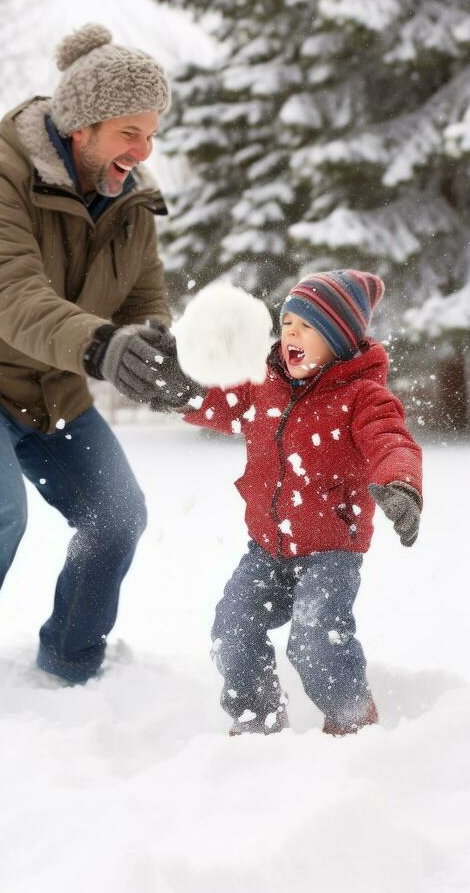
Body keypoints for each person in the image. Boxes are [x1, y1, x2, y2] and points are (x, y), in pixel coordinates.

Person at [0, 23, 190, 706]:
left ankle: (70, 663)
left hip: (49, 384)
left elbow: (145, 297)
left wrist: (157, 350)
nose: (143, 151)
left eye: (151, 133)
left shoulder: (132, 203)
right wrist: (99, 348)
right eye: (129, 133)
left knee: (117, 514)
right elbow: (12, 297)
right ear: (83, 127)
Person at [182, 270, 423, 736]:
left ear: (339, 339)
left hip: (331, 550)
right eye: (287, 321)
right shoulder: (261, 381)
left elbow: (392, 442)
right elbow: (214, 402)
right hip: (267, 548)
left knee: (316, 642)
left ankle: (354, 721)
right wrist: (177, 388)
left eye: (307, 326)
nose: (290, 332)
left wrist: (401, 483)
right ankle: (257, 718)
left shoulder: (363, 397)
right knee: (232, 631)